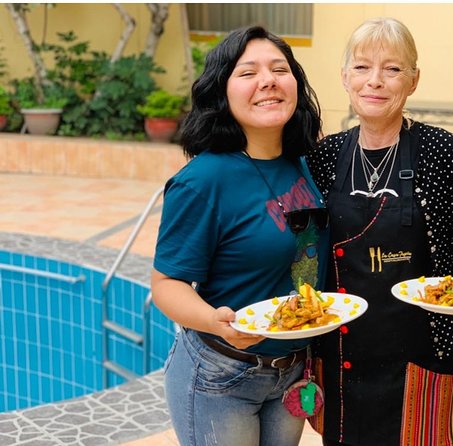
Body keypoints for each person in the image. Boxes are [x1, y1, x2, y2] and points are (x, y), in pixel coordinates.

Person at [306, 17, 453, 446]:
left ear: (414, 80)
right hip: (342, 354)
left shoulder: (445, 151)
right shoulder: (324, 156)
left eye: (393, 69)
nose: (375, 81)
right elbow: (309, 250)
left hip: (421, 351)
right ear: (344, 77)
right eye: (362, 68)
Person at [151, 25, 328, 446]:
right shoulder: (203, 180)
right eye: (247, 73)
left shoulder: (306, 162)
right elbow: (165, 285)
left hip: (291, 370)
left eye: (279, 69)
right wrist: (215, 321)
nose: (267, 80)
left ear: (296, 86)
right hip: (222, 372)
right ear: (222, 93)